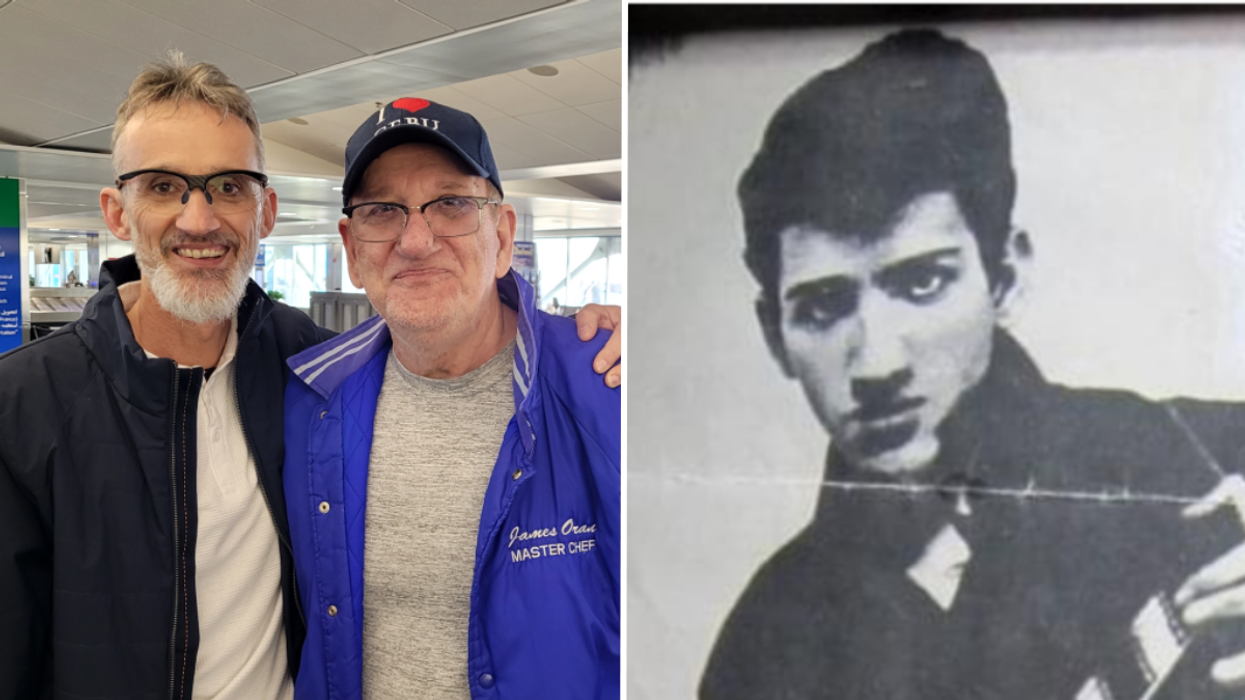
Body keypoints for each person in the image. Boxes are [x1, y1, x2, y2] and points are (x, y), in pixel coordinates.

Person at [0, 57, 622, 699]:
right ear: (116, 211)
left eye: (452, 203)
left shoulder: (604, 385)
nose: (197, 219)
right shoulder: (26, 406)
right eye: (162, 186)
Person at [700, 29, 1245, 700]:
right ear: (774, 335)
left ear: (1005, 276)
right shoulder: (763, 649)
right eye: (822, 307)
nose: (874, 363)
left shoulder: (1207, 457)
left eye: (921, 283)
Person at [283, 99, 620, 699]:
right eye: (383, 211)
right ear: (351, 247)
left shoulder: (608, 385)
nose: (415, 240)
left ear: (502, 236)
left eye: (452, 204)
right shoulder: (312, 404)